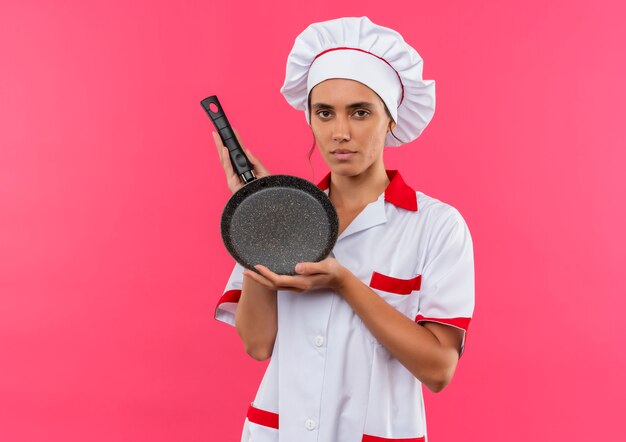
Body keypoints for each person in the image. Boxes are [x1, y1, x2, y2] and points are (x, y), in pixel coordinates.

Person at [212, 16, 475, 442]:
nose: (339, 133)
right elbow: (257, 345)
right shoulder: (283, 215)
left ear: (390, 120)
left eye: (360, 112)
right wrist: (260, 216)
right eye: (324, 113)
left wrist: (344, 283)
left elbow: (439, 369)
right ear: (310, 118)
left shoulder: (436, 226)